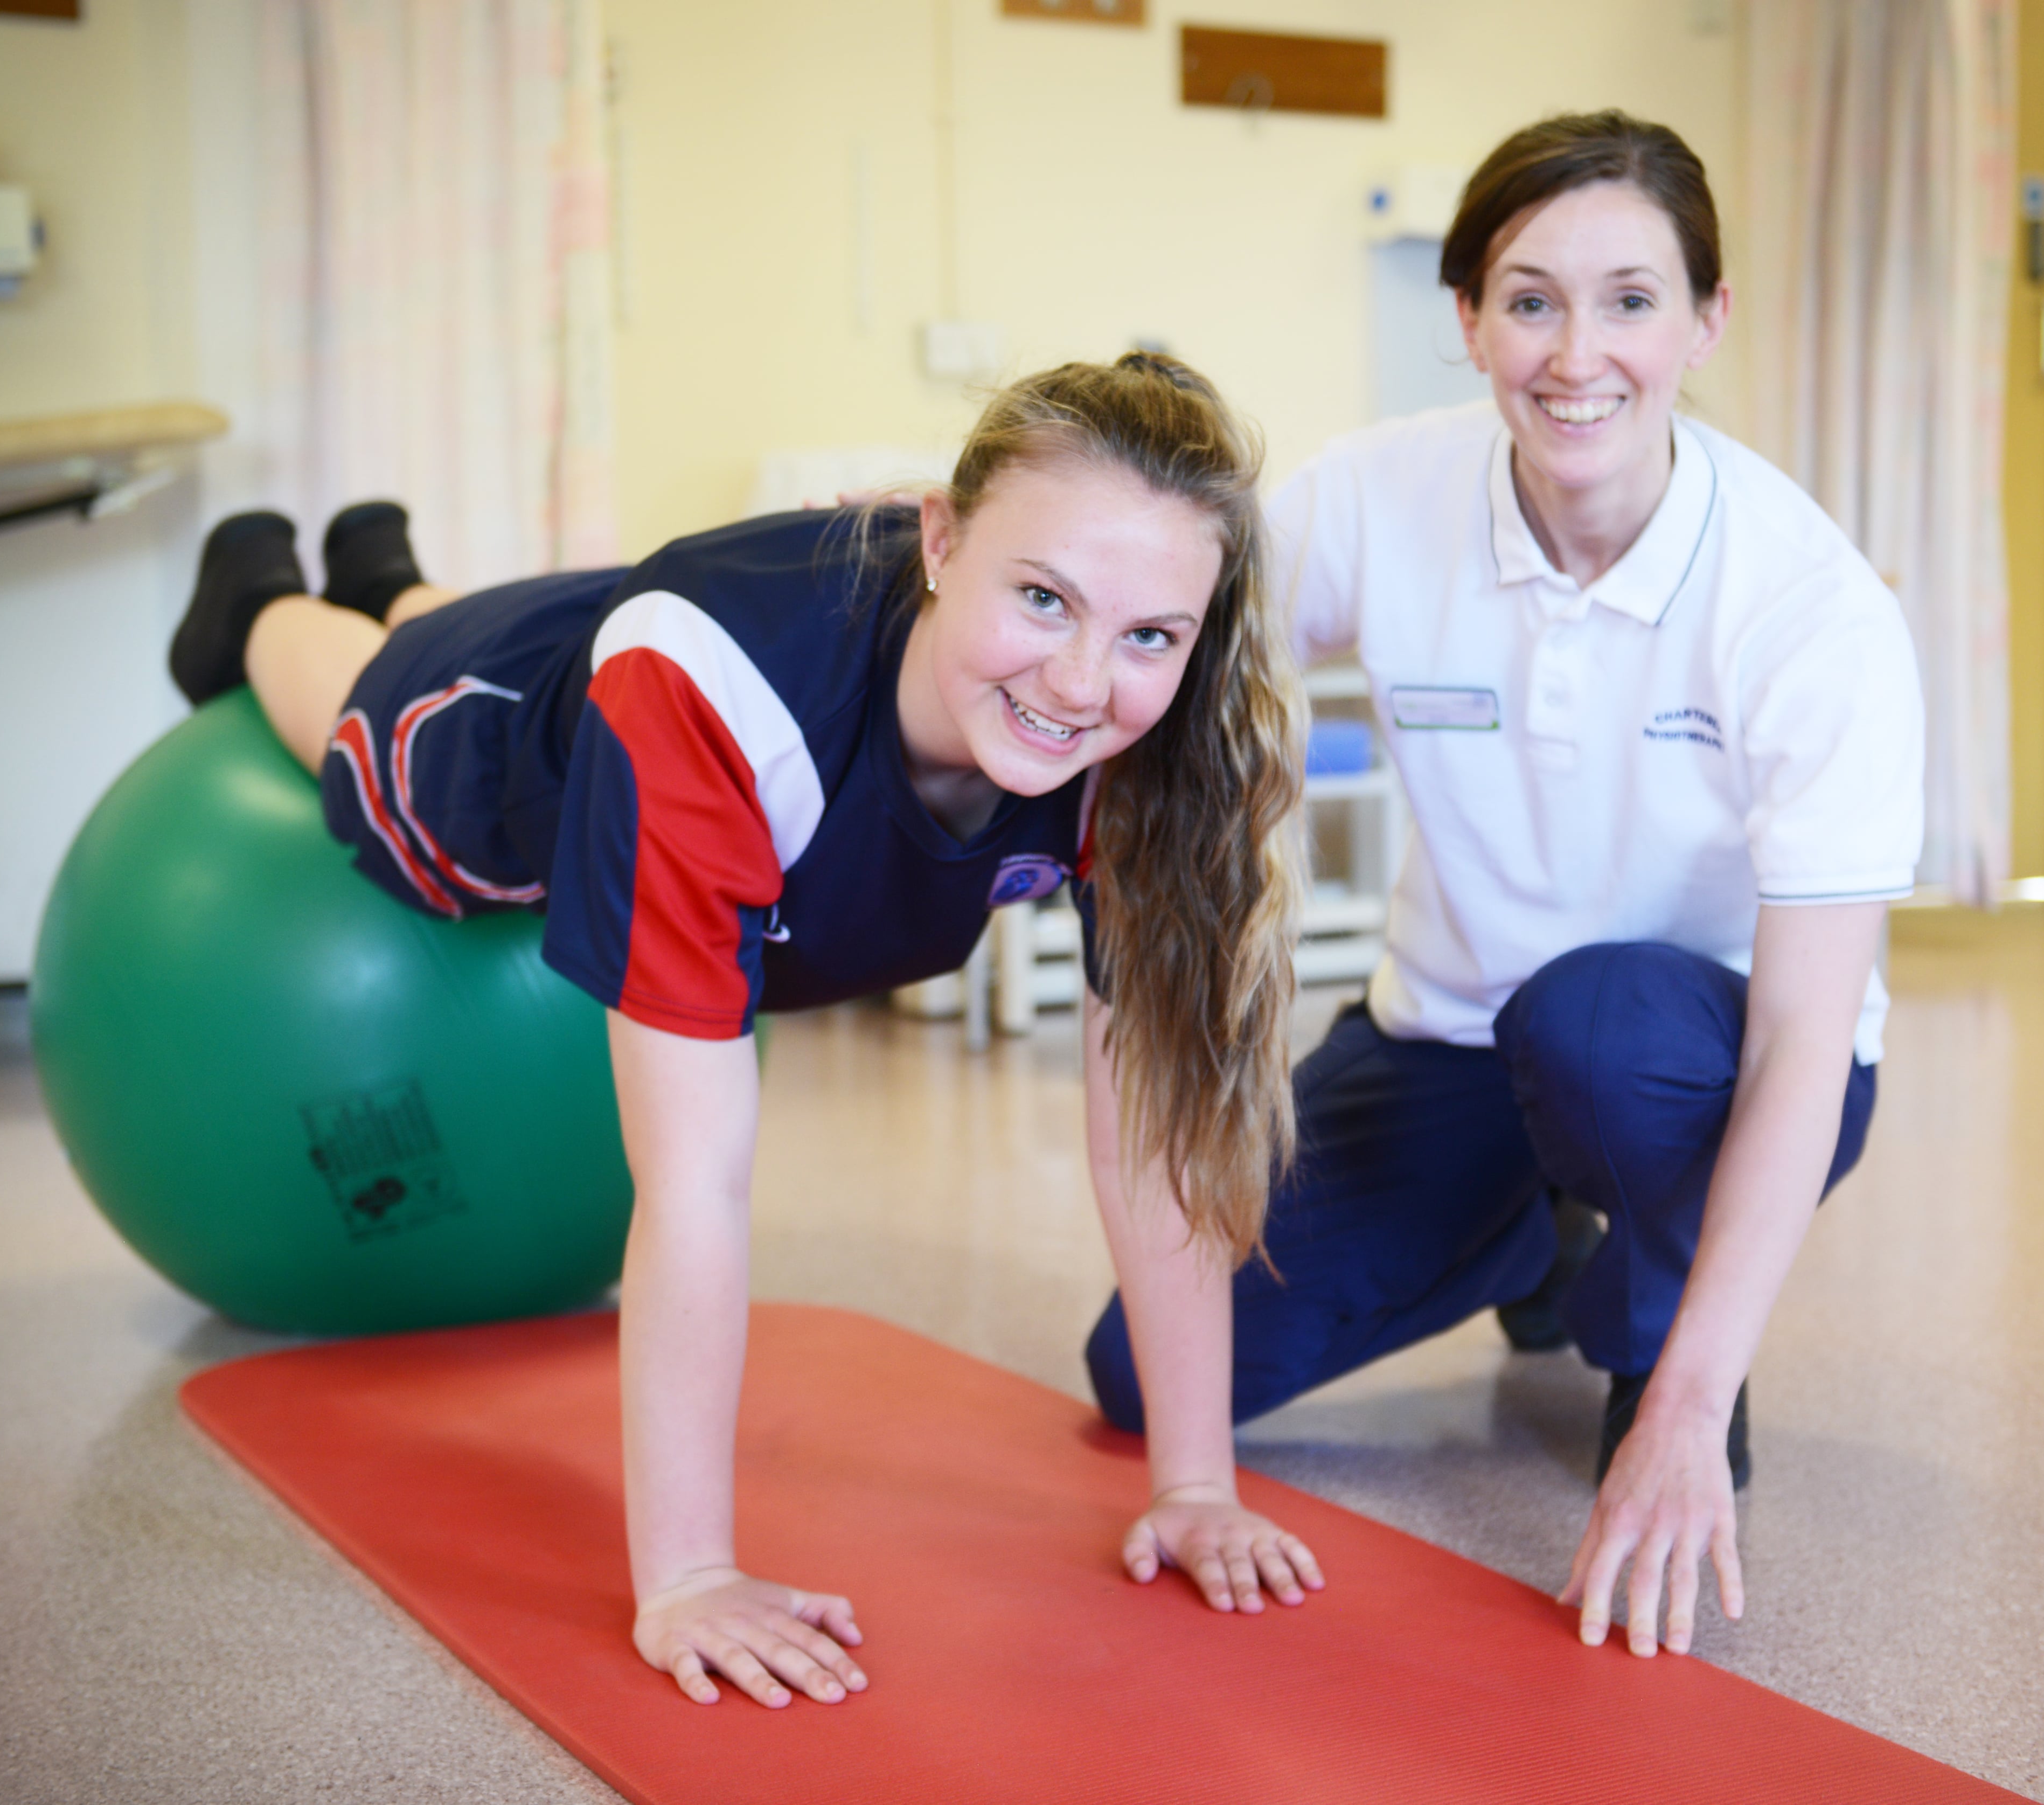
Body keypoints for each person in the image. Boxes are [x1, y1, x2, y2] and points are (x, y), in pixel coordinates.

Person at [164, 353, 1326, 1710]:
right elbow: (694, 1179)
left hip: (634, 625)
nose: (1082, 681)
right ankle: (259, 599)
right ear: (943, 542)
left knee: (499, 617)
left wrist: (1194, 1485)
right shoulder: (713, 703)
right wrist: (688, 1576)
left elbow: (1154, 1139)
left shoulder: (1142, 749)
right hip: (519, 733)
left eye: (1148, 636)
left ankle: (388, 557)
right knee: (373, 709)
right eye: (1042, 597)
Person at [1082, 114, 1925, 1662]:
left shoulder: (1806, 607)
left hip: (1703, 1059)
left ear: (1702, 321)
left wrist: (1680, 1398)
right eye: (1528, 299)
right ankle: (1534, 1237)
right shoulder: (1379, 495)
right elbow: (1172, 621)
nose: (1573, 353)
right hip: (1447, 1040)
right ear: (1464, 317)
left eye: (1628, 299)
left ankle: (1659, 1330)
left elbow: (1808, 1036)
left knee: (1597, 1024)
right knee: (1141, 1371)